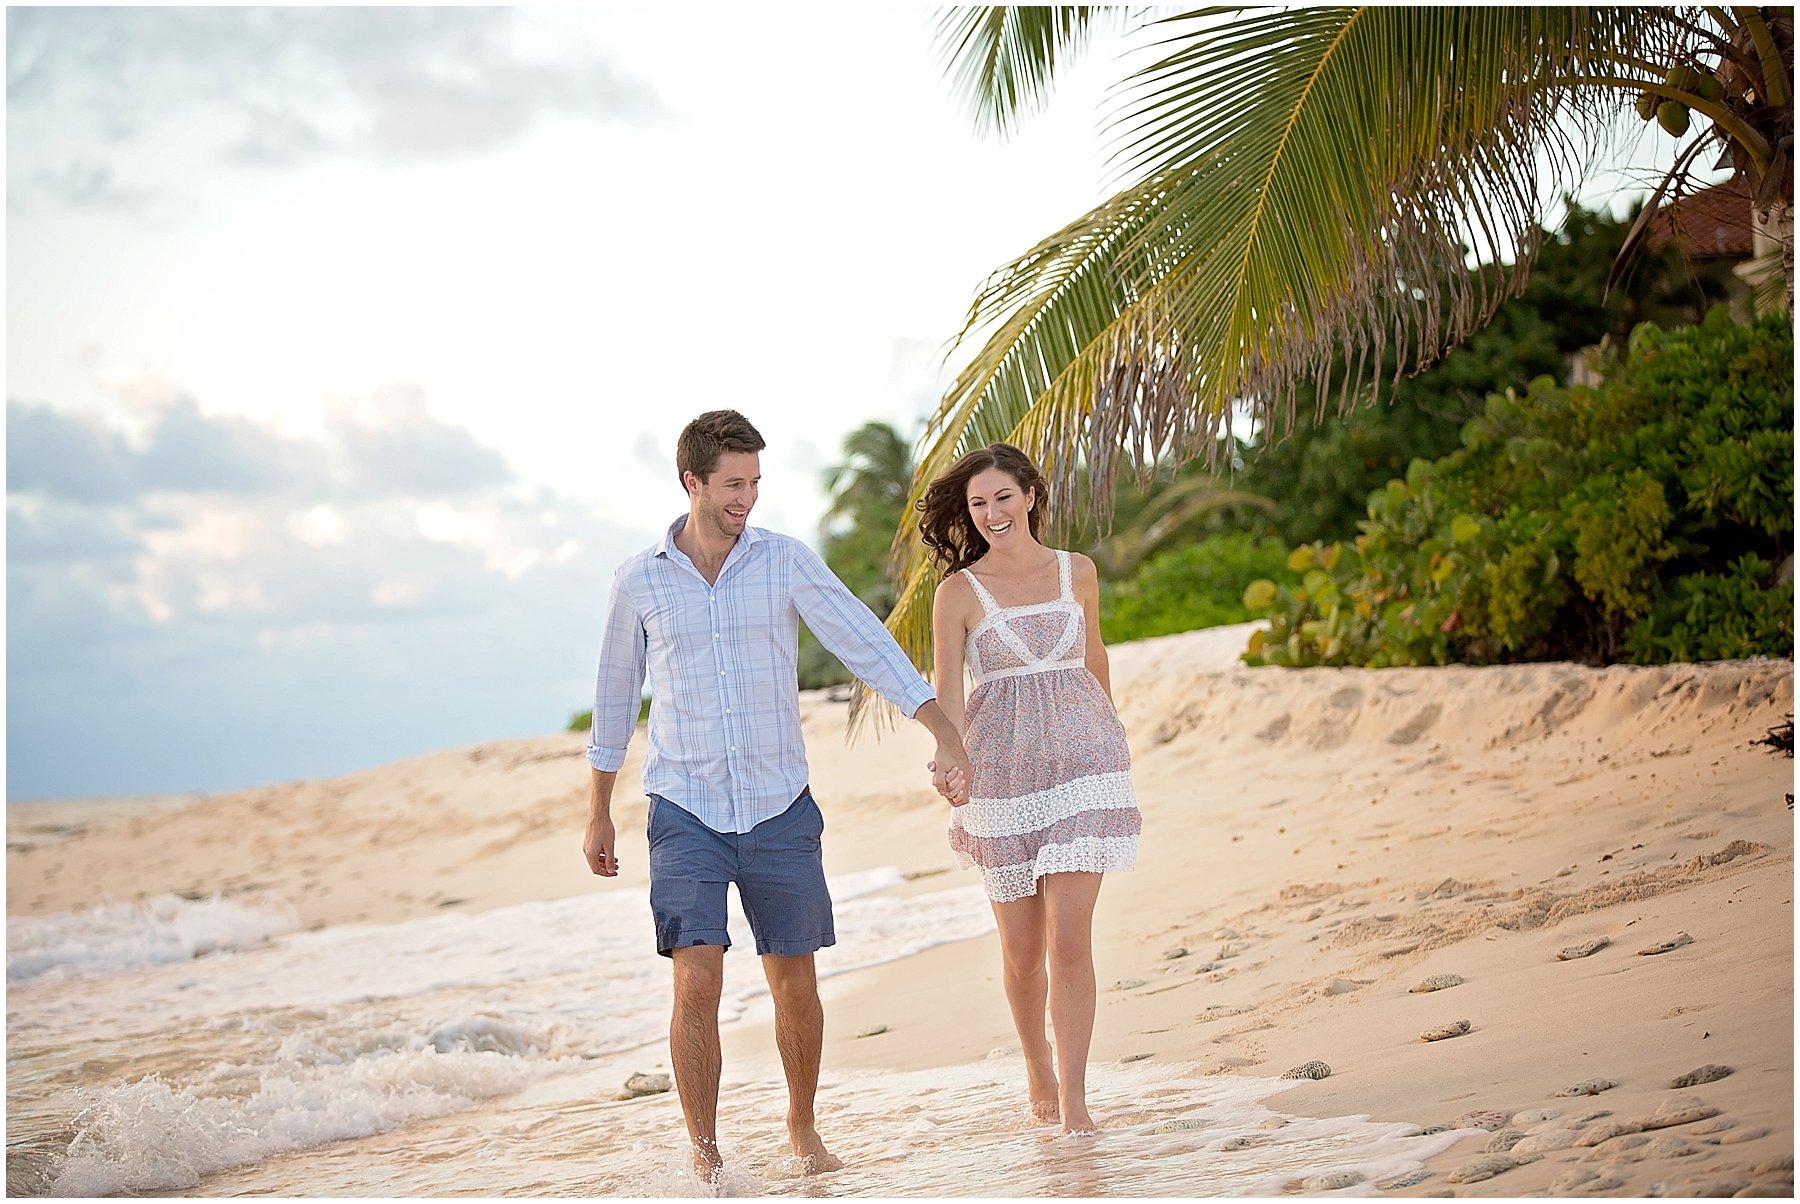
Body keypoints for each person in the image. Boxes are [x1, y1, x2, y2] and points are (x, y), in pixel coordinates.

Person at [582, 409, 971, 1181]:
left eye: (755, 483)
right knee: (696, 972)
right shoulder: (639, 580)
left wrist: (942, 729)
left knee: (794, 974)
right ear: (690, 481)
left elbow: (863, 638)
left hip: (778, 805)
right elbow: (615, 698)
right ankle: (705, 1154)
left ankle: (801, 1127)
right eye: (732, 484)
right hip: (683, 805)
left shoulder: (785, 561)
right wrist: (597, 809)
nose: (747, 499)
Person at [919, 442, 1141, 1136]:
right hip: (1002, 773)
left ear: (1032, 496)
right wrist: (946, 755)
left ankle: (1074, 1102)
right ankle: (1037, 1068)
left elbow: (1094, 657)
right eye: (979, 504)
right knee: (1021, 952)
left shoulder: (1078, 571)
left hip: (1085, 764)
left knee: (1070, 940)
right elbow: (947, 690)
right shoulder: (958, 592)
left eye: (1003, 498)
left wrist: (1114, 741)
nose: (991, 514)